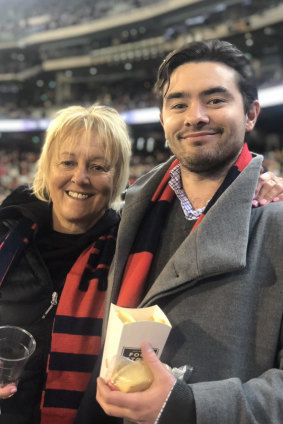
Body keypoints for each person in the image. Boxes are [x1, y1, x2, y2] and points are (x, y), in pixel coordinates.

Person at [94, 39, 283, 424]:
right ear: (163, 118)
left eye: (215, 100)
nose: (194, 116)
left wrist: (191, 407)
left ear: (250, 114)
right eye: (178, 104)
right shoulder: (132, 211)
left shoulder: (274, 220)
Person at [0, 103, 131, 423]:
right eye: (68, 162)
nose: (80, 177)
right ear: (47, 168)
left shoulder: (130, 251)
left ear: (118, 178)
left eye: (99, 167)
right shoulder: (6, 234)